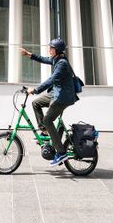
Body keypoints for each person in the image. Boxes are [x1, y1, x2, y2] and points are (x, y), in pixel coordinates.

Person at [19, 37, 78, 166]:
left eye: (51, 48)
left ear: (57, 50)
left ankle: (61, 153)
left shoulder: (62, 63)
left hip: (62, 97)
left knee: (47, 119)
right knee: (36, 103)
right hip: (56, 93)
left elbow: (51, 80)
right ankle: (45, 131)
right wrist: (28, 54)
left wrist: (35, 90)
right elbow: (43, 59)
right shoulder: (56, 60)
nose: (49, 50)